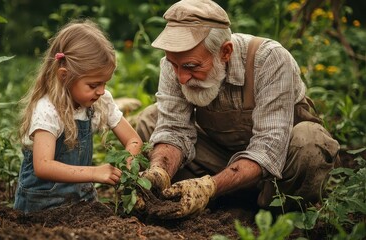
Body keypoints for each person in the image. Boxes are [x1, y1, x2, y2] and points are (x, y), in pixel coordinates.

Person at [136, 0, 340, 219]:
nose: (181, 77)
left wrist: (209, 186)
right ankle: (206, 202)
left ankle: (275, 213)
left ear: (225, 52)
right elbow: (173, 129)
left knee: (312, 142)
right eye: (174, 65)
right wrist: (160, 170)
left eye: (191, 67)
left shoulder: (269, 59)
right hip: (219, 157)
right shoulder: (176, 62)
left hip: (278, 170)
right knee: (150, 120)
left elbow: (268, 149)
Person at [14, 20, 143, 213]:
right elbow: (43, 165)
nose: (101, 91)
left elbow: (133, 139)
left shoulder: (100, 102)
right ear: (64, 76)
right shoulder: (48, 109)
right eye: (93, 85)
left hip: (82, 201)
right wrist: (95, 172)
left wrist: (127, 167)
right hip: (42, 206)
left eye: (105, 83)